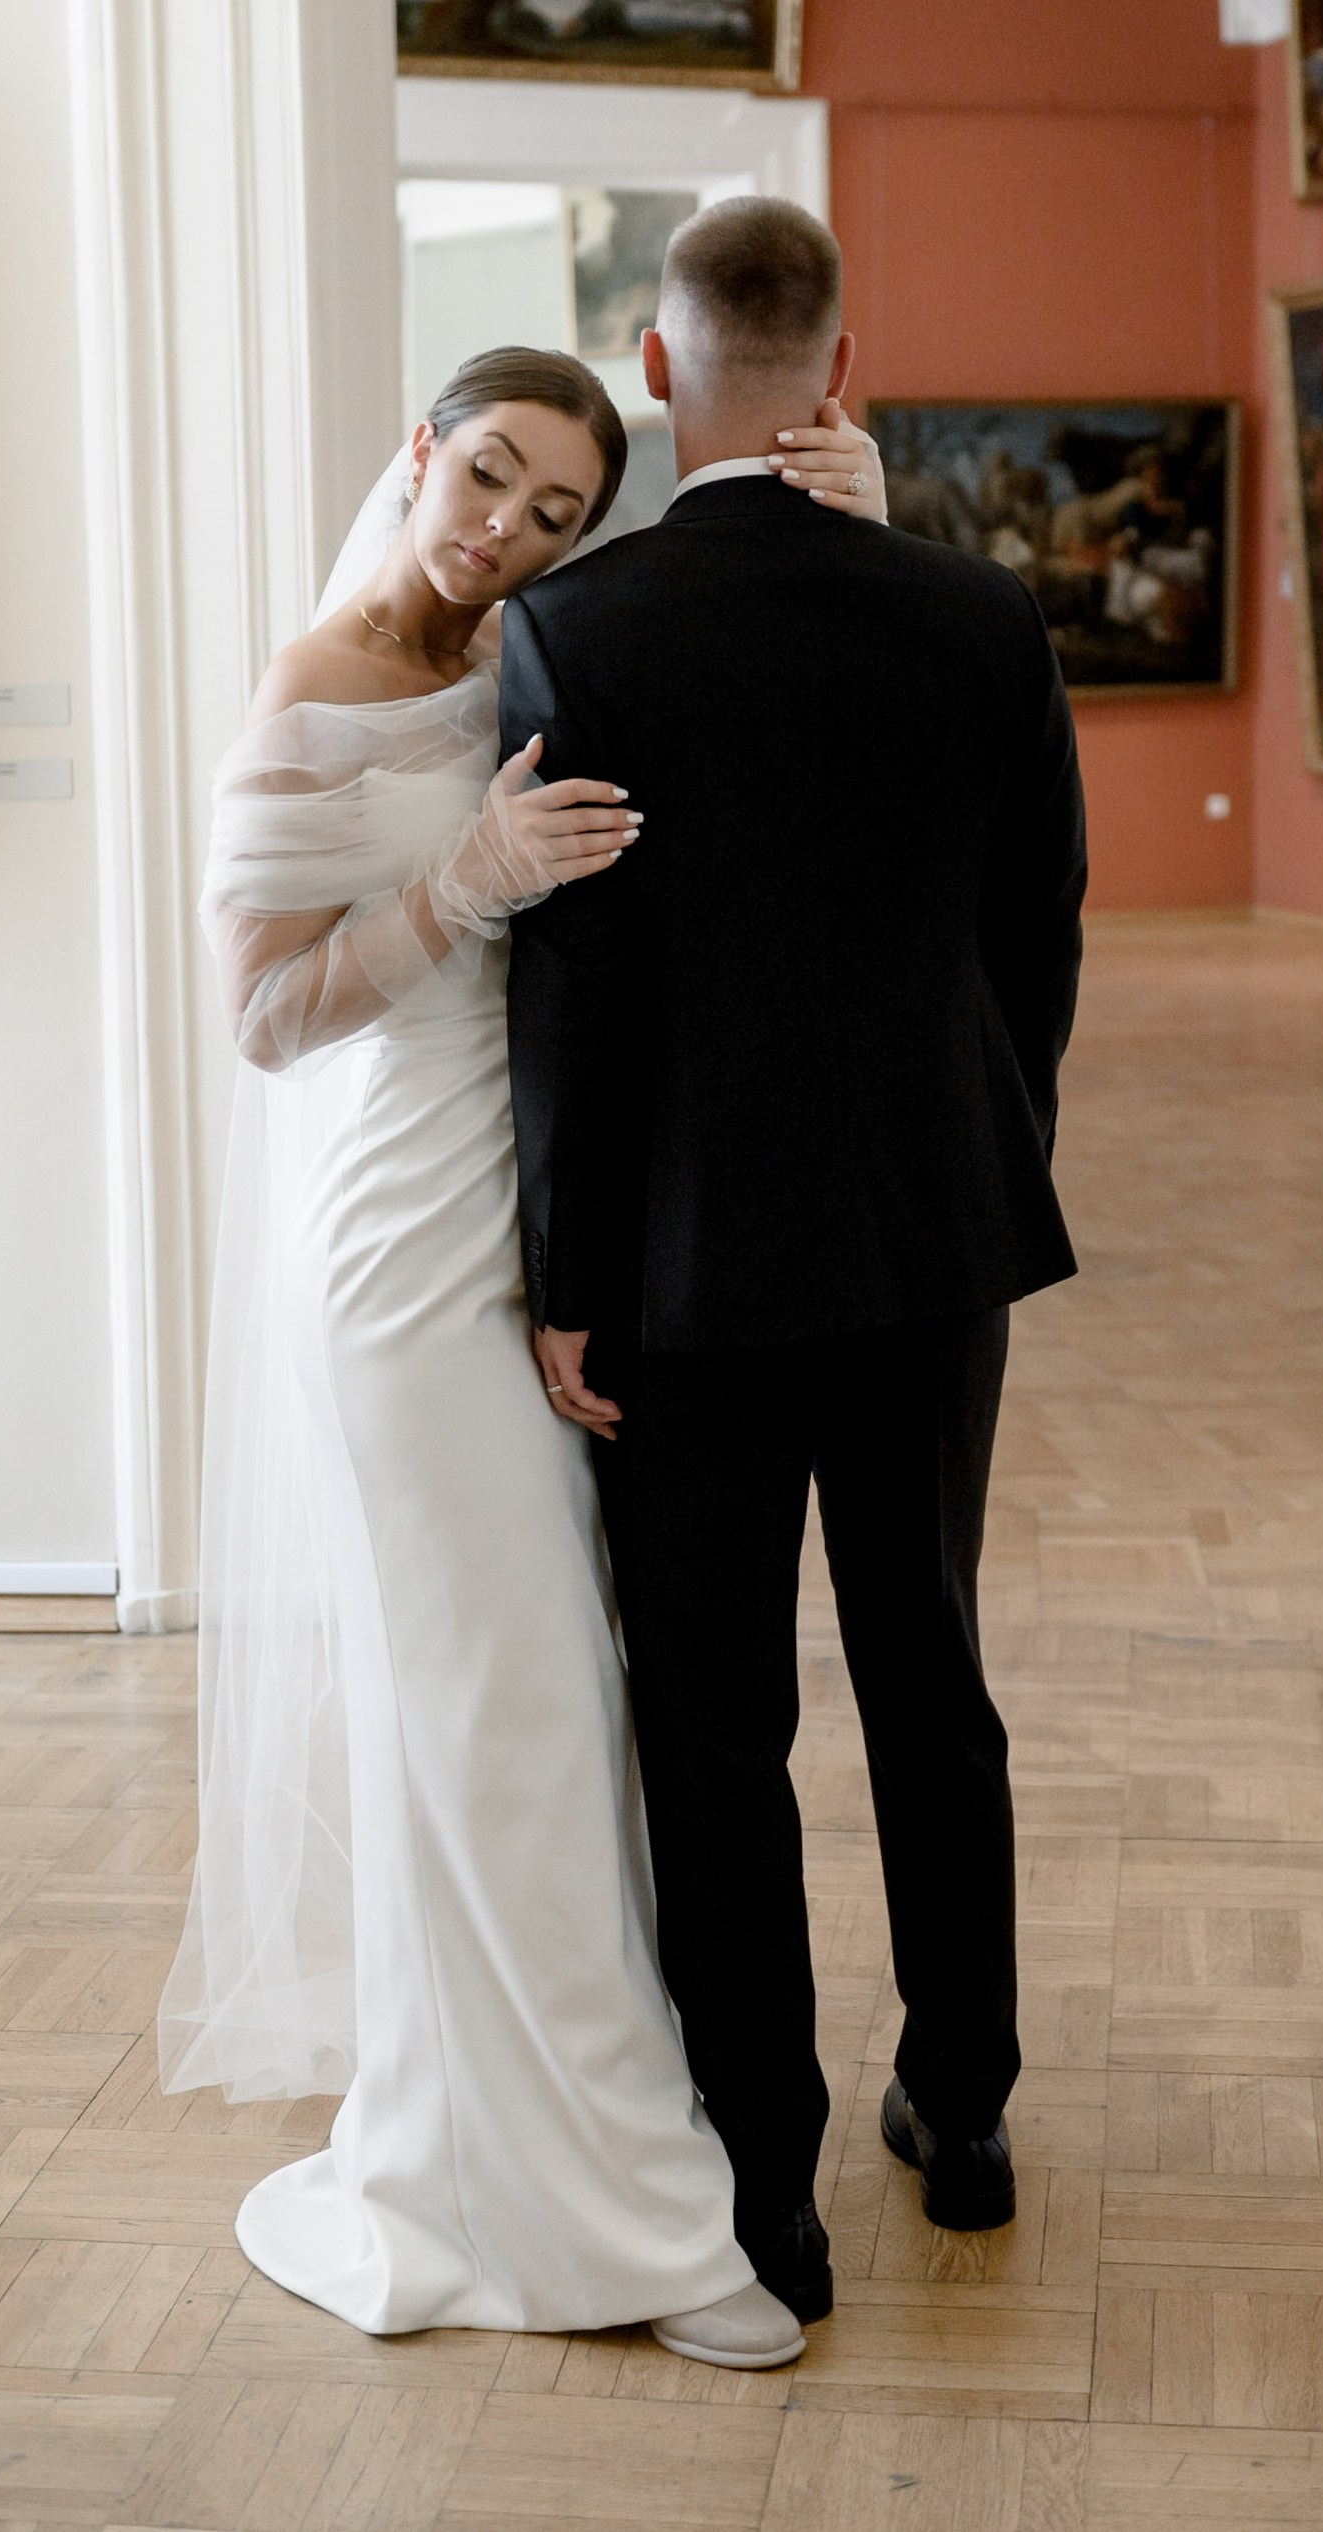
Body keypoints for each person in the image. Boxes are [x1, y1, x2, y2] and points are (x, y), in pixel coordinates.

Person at [156, 344, 888, 2367]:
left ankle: (497, 2150)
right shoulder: (311, 694)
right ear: (419, 450)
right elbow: (262, 1016)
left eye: (554, 510)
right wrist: (459, 882)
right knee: (523, 1726)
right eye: (486, 476)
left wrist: (859, 511)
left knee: (522, 1724)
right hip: (396, 1256)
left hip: (537, 1237)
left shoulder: (540, 649)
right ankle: (633, 2225)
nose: (505, 530)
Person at [500, 197, 1087, 2328]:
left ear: (656, 370)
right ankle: (966, 2102)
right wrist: (966, 1142)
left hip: (678, 1262)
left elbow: (575, 993)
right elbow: (1039, 940)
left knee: (714, 1720)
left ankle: (766, 2188)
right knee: (930, 1675)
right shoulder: (986, 617)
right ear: (841, 368)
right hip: (932, 1237)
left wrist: (566, 1270)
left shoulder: (584, 627)